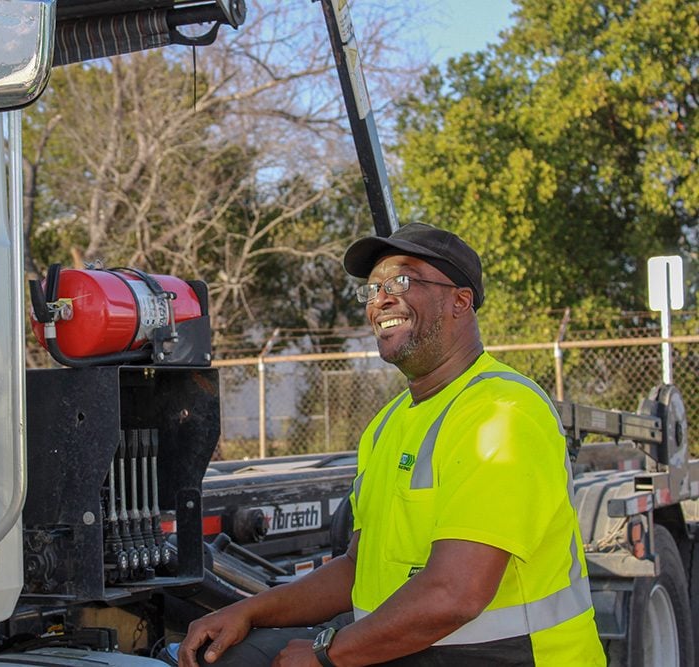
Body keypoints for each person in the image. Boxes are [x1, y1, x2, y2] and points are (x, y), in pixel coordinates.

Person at [177, 222, 605, 666]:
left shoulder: (501, 413)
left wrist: (328, 655)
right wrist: (247, 611)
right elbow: (358, 569)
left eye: (401, 280)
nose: (381, 298)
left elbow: (456, 593)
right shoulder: (387, 425)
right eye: (374, 287)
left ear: (460, 301)